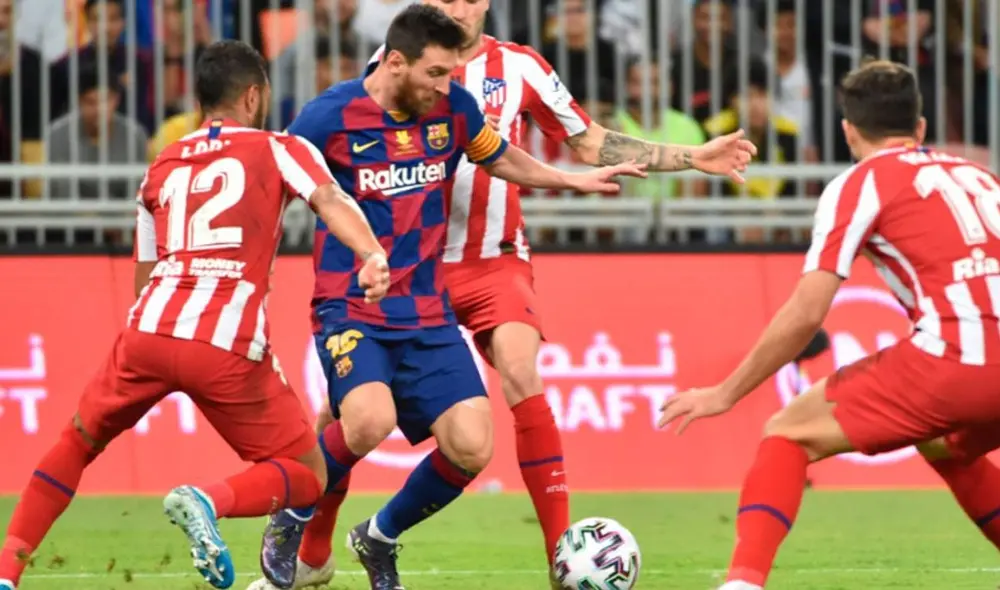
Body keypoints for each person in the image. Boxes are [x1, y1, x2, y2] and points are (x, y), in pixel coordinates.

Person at [279, 0, 756, 587]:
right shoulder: (397, 67)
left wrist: (687, 157)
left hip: (490, 260)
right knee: (348, 415)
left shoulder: (521, 68)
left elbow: (586, 141)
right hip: (406, 263)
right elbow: (326, 161)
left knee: (520, 370)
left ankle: (560, 557)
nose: (456, 7)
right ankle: (312, 551)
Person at [0, 40, 390, 590]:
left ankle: (6, 572)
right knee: (307, 476)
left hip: (148, 331)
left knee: (75, 443)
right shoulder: (278, 147)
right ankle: (207, 500)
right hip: (224, 341)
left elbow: (143, 272)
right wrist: (372, 253)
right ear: (253, 96)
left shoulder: (162, 163)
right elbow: (329, 199)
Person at [659, 59, 1000, 590]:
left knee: (788, 434)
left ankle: (742, 584)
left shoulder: (860, 184)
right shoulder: (980, 175)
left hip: (954, 361)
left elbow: (807, 312)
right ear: (921, 127)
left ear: (847, 130)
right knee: (944, 446)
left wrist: (727, 393)